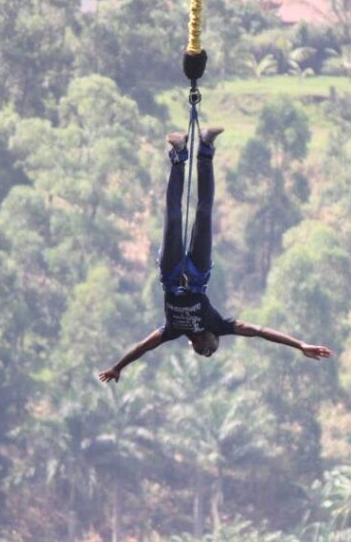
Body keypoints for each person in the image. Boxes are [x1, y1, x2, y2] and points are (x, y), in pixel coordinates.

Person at [98, 128, 333, 383]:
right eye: (213, 349)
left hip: (171, 274)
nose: (208, 352)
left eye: (204, 353)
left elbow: (142, 347)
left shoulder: (172, 331)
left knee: (174, 217)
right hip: (198, 275)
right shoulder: (219, 324)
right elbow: (261, 331)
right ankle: (206, 149)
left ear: (192, 345)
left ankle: (178, 155)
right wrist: (300, 345)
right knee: (204, 212)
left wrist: (118, 367)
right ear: (215, 337)